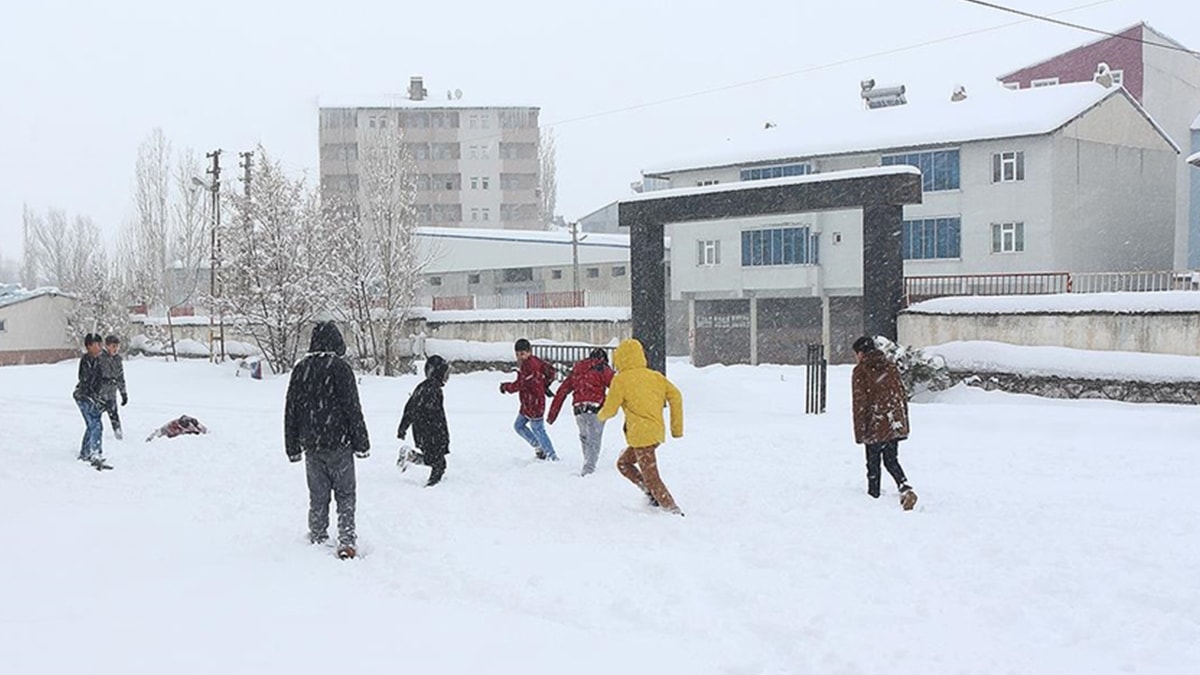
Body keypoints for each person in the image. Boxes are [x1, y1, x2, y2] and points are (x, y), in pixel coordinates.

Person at [284, 322, 370, 559]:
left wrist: (292, 446)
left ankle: (318, 535)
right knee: (345, 495)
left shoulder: (301, 369)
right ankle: (347, 541)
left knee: (318, 495)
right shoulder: (340, 369)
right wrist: (361, 442)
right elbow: (352, 408)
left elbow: (291, 409)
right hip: (340, 443)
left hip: (312, 446)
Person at [598, 339, 685, 515]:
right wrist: (676, 428)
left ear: (620, 358)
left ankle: (672, 509)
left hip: (641, 434)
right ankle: (651, 493)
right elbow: (676, 396)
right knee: (624, 463)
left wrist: (599, 416)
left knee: (652, 476)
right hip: (654, 433)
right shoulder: (656, 377)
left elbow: (610, 409)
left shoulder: (621, 380)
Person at [851, 336, 918, 510]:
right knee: (891, 459)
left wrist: (860, 432)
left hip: (874, 421)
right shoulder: (890, 366)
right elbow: (901, 395)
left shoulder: (861, 371)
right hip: (891, 420)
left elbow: (860, 403)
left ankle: (873, 497)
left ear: (860, 353)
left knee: (873, 463)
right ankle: (904, 486)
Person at [548, 348, 614, 476]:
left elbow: (562, 390)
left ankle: (587, 462)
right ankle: (589, 470)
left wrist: (552, 414)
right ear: (604, 359)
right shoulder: (602, 368)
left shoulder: (577, 369)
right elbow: (617, 387)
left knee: (584, 437)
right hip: (596, 408)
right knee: (594, 439)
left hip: (578, 409)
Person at [500, 338, 558, 461]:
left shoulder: (529, 365)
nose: (520, 357)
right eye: (517, 354)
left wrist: (505, 387)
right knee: (519, 426)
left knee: (538, 429)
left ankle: (551, 455)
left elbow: (519, 385)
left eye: (522, 354)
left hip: (535, 403)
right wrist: (544, 385)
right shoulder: (535, 361)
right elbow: (551, 372)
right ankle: (538, 446)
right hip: (527, 404)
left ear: (529, 352)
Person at [397, 355, 451, 487]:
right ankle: (430, 489)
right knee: (439, 464)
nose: (447, 377)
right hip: (430, 433)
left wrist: (403, 427)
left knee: (432, 459)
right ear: (437, 372)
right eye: (445, 374)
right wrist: (441, 436)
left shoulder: (423, 387)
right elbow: (435, 416)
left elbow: (409, 408)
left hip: (425, 432)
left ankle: (410, 456)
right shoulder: (432, 390)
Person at [73, 333, 109, 468]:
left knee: (91, 425)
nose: (100, 347)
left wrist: (102, 398)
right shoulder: (86, 360)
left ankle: (85, 452)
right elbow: (85, 382)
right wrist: (92, 398)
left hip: (93, 397)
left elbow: (100, 382)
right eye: (97, 344)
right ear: (88, 346)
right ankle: (96, 454)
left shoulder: (98, 361)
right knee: (96, 425)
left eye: (101, 344)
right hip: (83, 397)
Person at [99, 335, 128, 439]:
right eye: (113, 346)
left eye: (117, 346)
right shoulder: (100, 357)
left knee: (114, 414)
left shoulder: (117, 359)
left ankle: (118, 435)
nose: (116, 349)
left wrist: (123, 393)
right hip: (100, 394)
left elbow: (120, 377)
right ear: (107, 346)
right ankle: (95, 435)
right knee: (96, 417)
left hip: (111, 393)